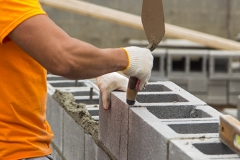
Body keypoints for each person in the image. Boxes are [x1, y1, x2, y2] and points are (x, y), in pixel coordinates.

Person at [0, 0, 153, 159]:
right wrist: (128, 59)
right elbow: (63, 57)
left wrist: (97, 68)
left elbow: (38, 50)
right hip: (13, 150)